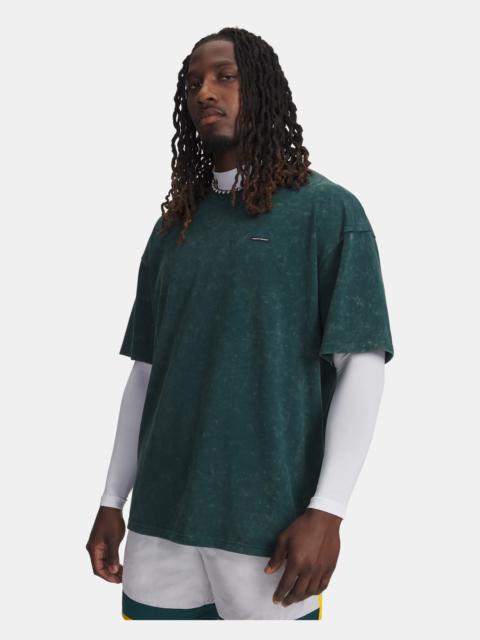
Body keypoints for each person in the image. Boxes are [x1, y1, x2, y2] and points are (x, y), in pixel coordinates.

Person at [86, 27, 394, 621]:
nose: (206, 92)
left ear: (263, 89)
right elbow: (146, 373)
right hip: (160, 524)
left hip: (269, 531)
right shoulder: (173, 227)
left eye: (225, 76)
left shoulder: (327, 210)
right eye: (193, 83)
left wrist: (328, 509)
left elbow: (361, 362)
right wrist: (112, 498)